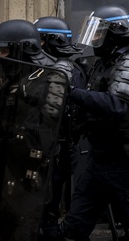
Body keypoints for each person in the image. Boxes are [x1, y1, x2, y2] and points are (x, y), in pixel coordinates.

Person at [58, 5, 129, 241]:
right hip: (100, 158)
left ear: (114, 33)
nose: (93, 39)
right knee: (74, 226)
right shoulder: (103, 62)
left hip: (127, 163)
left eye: (98, 32)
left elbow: (115, 104)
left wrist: (71, 92)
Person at [0, 19, 68, 240]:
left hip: (35, 167)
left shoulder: (48, 78)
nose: (2, 56)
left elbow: (44, 126)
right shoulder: (13, 80)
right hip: (11, 166)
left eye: (5, 50)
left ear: (22, 49)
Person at [34, 16, 88, 240]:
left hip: (57, 148)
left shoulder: (62, 70)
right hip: (58, 147)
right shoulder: (67, 67)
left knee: (47, 205)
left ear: (49, 40)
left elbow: (51, 111)